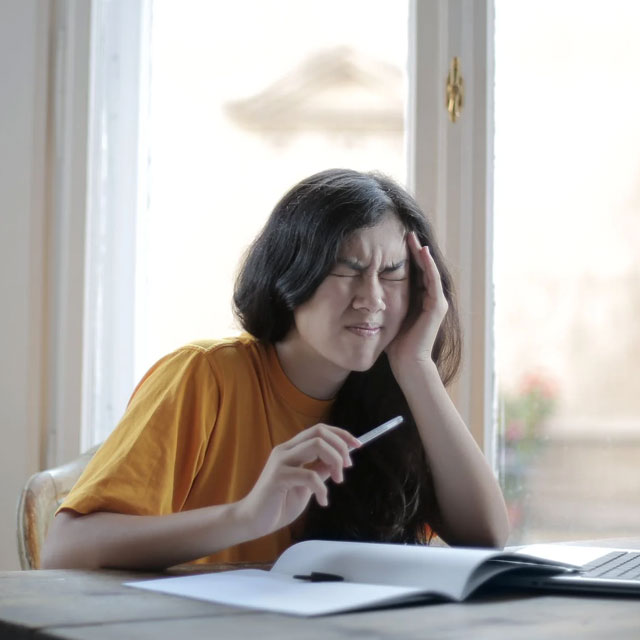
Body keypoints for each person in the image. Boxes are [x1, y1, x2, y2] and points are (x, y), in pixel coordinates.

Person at [42, 168, 509, 570]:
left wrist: (416, 365)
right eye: (346, 270)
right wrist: (246, 516)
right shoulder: (204, 376)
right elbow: (64, 550)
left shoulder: (395, 393)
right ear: (292, 273)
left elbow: (485, 536)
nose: (372, 298)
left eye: (392, 273)